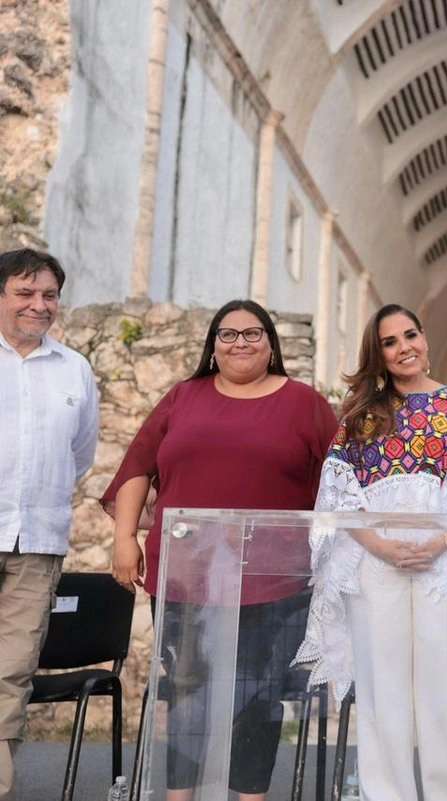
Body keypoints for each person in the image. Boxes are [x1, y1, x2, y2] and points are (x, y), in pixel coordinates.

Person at [104, 299, 337, 801]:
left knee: (258, 696)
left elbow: (342, 486)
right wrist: (124, 539)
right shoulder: (182, 397)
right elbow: (137, 468)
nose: (240, 343)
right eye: (227, 334)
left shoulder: (306, 404)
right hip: (187, 576)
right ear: (213, 346)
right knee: (187, 692)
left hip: (275, 581)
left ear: (271, 344)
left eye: (252, 333)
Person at [294, 304, 447, 801]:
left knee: (442, 689)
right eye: (389, 342)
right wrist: (382, 547)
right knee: (382, 689)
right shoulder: (360, 414)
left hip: (444, 557)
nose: (403, 347)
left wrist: (439, 541)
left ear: (424, 338)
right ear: (379, 354)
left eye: (409, 335)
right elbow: (340, 495)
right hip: (375, 560)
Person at [0, 249, 99, 801]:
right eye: (25, 292)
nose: (39, 305)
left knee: (10, 673)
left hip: (37, 543)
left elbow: (79, 454)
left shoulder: (74, 369)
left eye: (49, 295)